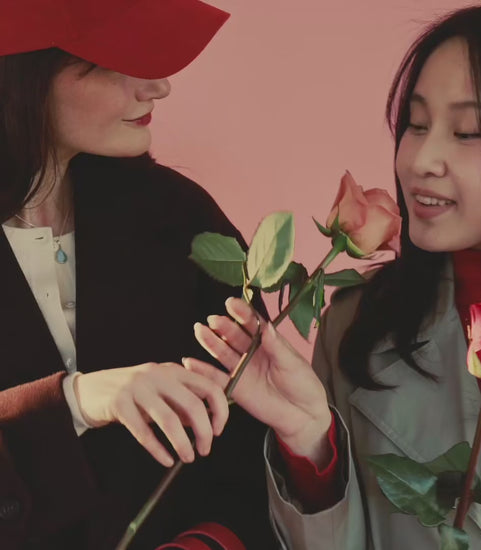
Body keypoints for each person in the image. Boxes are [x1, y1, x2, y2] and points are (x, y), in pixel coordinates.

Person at [188, 4, 481, 549]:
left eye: (467, 132)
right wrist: (312, 446)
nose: (421, 160)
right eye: (417, 125)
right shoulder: (359, 326)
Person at [0, 1, 279, 549]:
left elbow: (249, 445)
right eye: (116, 60)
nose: (159, 86)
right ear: (25, 73)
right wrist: (77, 400)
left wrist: (207, 542)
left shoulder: (181, 219)